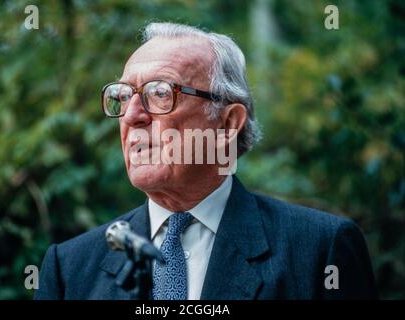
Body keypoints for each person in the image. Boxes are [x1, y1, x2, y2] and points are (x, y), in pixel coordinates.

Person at [34, 22, 377, 300]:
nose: (132, 116)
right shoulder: (70, 268)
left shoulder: (320, 250)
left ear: (228, 123)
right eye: (122, 97)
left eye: (160, 93)